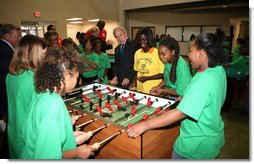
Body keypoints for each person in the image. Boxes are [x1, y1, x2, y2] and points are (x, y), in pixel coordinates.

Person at [127, 32, 227, 159]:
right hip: (212, 135)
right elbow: (198, 97)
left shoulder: (203, 80)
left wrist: (145, 125)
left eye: (190, 51)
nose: (189, 55)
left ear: (201, 53)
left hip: (196, 143)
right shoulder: (217, 70)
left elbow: (181, 113)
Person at [20, 47, 98, 159]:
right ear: (66, 75)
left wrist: (69, 136)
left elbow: (35, 133)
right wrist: (77, 152)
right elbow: (46, 157)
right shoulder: (54, 104)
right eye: (76, 77)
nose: (77, 81)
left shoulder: (42, 93)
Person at [6, 34, 48, 158]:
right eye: (43, 55)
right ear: (33, 55)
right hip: (29, 139)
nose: (45, 59)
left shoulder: (12, 74)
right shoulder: (34, 79)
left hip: (14, 134)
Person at [0, 23, 21, 158]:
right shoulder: (4, 50)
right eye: (17, 36)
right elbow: (4, 77)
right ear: (6, 35)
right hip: (5, 98)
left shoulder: (7, 48)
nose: (18, 39)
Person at [129, 27, 164, 94]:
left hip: (153, 90)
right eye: (140, 40)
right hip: (140, 89)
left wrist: (147, 78)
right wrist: (133, 83)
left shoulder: (157, 53)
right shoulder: (137, 53)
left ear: (149, 39)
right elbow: (137, 71)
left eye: (144, 40)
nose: (142, 42)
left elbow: (163, 74)